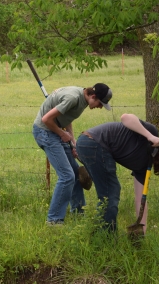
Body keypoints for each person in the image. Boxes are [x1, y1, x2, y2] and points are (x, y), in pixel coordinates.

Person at [33, 83, 113, 225]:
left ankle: (78, 212)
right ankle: (54, 220)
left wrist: (73, 142)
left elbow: (66, 117)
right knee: (67, 176)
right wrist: (62, 134)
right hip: (45, 131)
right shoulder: (73, 98)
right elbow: (46, 119)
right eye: (100, 103)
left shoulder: (83, 99)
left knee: (76, 173)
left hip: (56, 130)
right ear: (93, 96)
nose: (100, 107)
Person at [76, 113, 159, 234]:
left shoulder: (144, 168)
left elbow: (140, 199)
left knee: (109, 191)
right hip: (93, 143)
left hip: (91, 146)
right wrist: (150, 136)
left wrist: (142, 229)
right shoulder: (151, 134)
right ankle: (106, 235)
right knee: (111, 191)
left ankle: (101, 232)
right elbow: (125, 117)